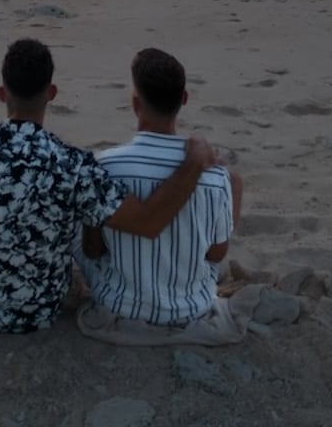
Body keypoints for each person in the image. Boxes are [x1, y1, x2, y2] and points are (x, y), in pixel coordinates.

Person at [0, 37, 219, 334]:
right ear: (52, 93)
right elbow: (149, 221)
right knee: (71, 207)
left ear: (2, 93)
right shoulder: (72, 164)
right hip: (41, 309)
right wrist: (191, 164)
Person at [75, 47, 245, 345]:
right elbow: (216, 255)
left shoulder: (104, 165)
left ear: (135, 103)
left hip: (120, 304)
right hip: (190, 307)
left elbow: (93, 250)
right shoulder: (216, 176)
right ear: (184, 100)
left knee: (75, 227)